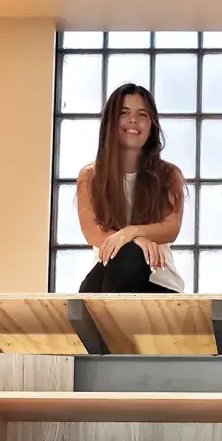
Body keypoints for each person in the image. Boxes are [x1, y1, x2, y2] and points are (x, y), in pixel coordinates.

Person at [77, 83, 185, 293]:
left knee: (133, 256)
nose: (133, 120)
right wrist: (136, 241)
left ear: (152, 125)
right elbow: (92, 232)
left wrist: (131, 233)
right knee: (127, 256)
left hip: (158, 282)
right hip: (105, 275)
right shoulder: (90, 176)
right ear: (111, 122)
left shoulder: (169, 175)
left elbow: (171, 228)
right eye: (124, 113)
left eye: (142, 114)